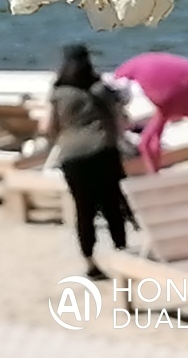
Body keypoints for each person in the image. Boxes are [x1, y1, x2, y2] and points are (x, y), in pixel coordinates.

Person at [42, 44, 131, 278]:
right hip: (104, 150)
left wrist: (66, 133)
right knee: (112, 205)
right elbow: (120, 119)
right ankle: (122, 253)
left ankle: (90, 263)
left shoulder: (58, 92)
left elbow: (47, 128)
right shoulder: (101, 88)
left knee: (84, 209)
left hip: (72, 156)